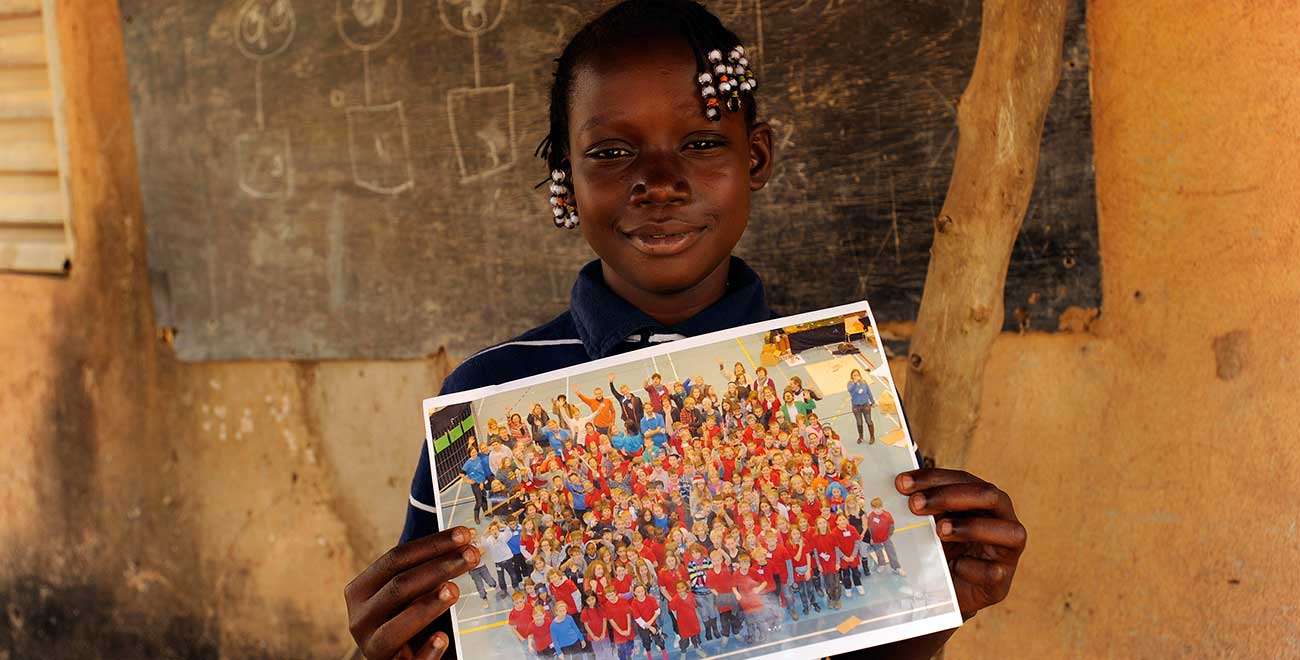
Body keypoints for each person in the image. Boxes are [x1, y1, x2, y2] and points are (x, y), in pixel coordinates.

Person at [345, 3, 1027, 659]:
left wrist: (934, 615)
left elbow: (854, 639)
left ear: (755, 159)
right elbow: (443, 630)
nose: (660, 183)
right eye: (611, 152)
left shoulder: (837, 375)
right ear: (565, 178)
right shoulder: (485, 399)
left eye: (701, 144)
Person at [867, 497, 907, 576]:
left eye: (879, 508)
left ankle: (896, 567)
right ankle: (882, 564)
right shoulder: (871, 516)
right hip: (876, 539)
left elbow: (891, 527)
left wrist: (888, 535)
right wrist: (871, 538)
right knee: (878, 552)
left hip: (886, 538)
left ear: (882, 507)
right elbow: (869, 528)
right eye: (875, 509)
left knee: (891, 552)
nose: (877, 510)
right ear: (872, 508)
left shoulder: (887, 516)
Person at [460, 445, 492, 524]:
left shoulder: (479, 458)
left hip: (482, 481)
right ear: (469, 454)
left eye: (475, 452)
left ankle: (486, 513)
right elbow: (461, 474)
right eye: (472, 452)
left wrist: (482, 482)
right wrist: (468, 481)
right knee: (479, 501)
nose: (474, 453)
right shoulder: (468, 463)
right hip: (475, 484)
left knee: (484, 498)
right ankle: (476, 517)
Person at [847, 369, 876, 445]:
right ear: (852, 376)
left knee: (869, 421)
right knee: (859, 422)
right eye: (854, 375)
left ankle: (872, 436)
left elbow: (869, 392)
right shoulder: (850, 384)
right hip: (856, 407)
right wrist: (855, 383)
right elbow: (850, 390)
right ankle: (861, 436)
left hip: (865, 405)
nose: (856, 376)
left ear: (860, 375)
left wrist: (872, 402)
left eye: (857, 375)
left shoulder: (864, 382)